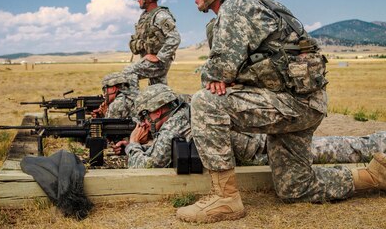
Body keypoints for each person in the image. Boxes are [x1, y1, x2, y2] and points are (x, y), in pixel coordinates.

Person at [176, 0, 386, 223]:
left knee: (205, 103)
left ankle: (225, 199)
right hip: (301, 104)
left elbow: (218, 71)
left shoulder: (236, 6)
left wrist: (222, 77)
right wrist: (225, 77)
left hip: (291, 104)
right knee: (295, 187)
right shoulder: (255, 3)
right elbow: (229, 70)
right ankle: (372, 176)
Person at [113, 85, 386, 169]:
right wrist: (138, 145)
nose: (145, 122)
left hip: (264, 152)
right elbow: (160, 151)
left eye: (146, 116)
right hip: (260, 148)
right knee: (332, 148)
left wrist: (134, 145)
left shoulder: (175, 122)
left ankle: (380, 142)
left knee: (340, 150)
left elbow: (148, 167)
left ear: (159, 109)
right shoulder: (180, 113)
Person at [123, 0, 181, 87]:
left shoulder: (161, 15)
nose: (138, 0)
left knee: (129, 72)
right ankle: (165, 102)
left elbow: (174, 38)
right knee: (158, 90)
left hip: (159, 62)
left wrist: (159, 57)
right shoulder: (146, 15)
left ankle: (132, 101)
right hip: (151, 59)